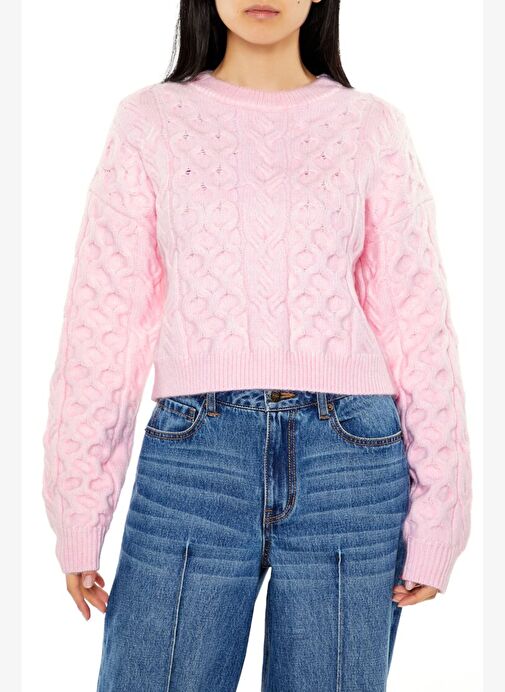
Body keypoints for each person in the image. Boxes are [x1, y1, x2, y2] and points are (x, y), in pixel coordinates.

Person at [41, 1, 473, 690]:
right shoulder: (150, 122)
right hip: (194, 458)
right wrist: (78, 511)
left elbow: (417, 322)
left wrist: (440, 514)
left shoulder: (371, 127)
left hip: (352, 464)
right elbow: (104, 319)